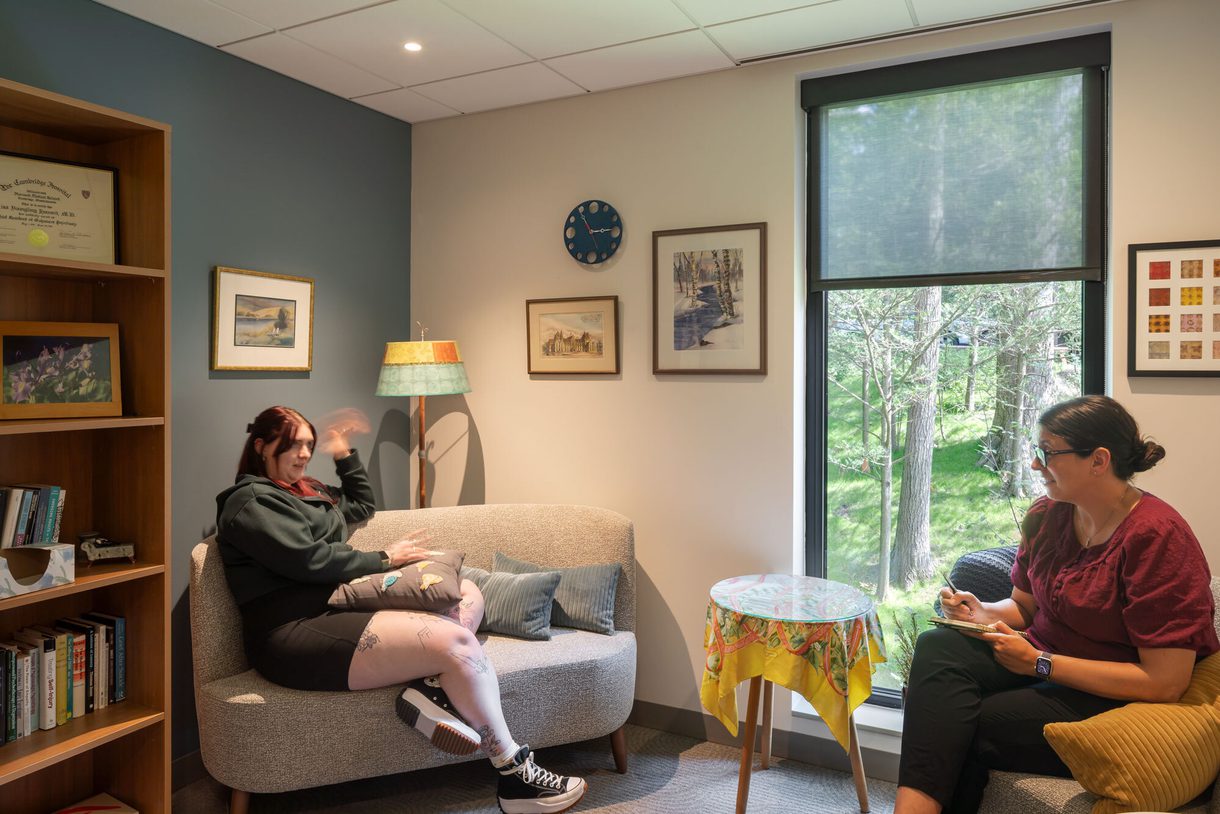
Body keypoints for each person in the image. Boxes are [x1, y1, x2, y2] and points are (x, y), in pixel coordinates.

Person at [215, 405, 587, 814]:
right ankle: (515, 775)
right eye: (292, 445)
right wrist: (385, 558)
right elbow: (310, 561)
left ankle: (429, 688)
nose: (304, 454)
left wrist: (342, 451)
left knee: (465, 592)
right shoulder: (250, 502)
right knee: (458, 644)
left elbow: (361, 504)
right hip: (292, 632)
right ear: (261, 446)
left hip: (336, 606)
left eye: (309, 444)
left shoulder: (304, 491)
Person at [895, 395, 1219, 814]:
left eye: (1047, 453)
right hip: (1045, 661)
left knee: (964, 722)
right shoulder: (1048, 515)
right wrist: (981, 612)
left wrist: (1040, 664)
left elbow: (1165, 682)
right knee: (939, 646)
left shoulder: (1157, 537)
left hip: (1117, 693)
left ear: (1098, 460)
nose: (1034, 464)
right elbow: (1025, 608)